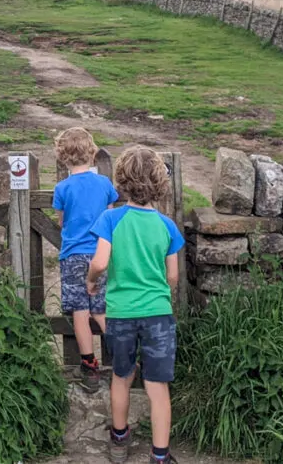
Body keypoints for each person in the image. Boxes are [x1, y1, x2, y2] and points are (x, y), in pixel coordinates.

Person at [87, 145, 184, 464]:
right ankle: (159, 455)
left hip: (120, 313)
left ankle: (118, 439)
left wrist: (91, 281)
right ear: (159, 183)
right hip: (158, 314)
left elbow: (100, 263)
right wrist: (159, 290)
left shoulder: (111, 218)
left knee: (121, 375)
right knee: (158, 386)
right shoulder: (167, 226)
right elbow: (173, 277)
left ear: (121, 181)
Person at [53, 127, 119, 392]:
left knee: (80, 312)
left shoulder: (62, 187)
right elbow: (110, 215)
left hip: (72, 255)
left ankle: (89, 366)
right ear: (92, 152)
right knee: (101, 309)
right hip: (100, 254)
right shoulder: (104, 184)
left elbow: (60, 221)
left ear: (63, 157)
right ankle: (124, 355)